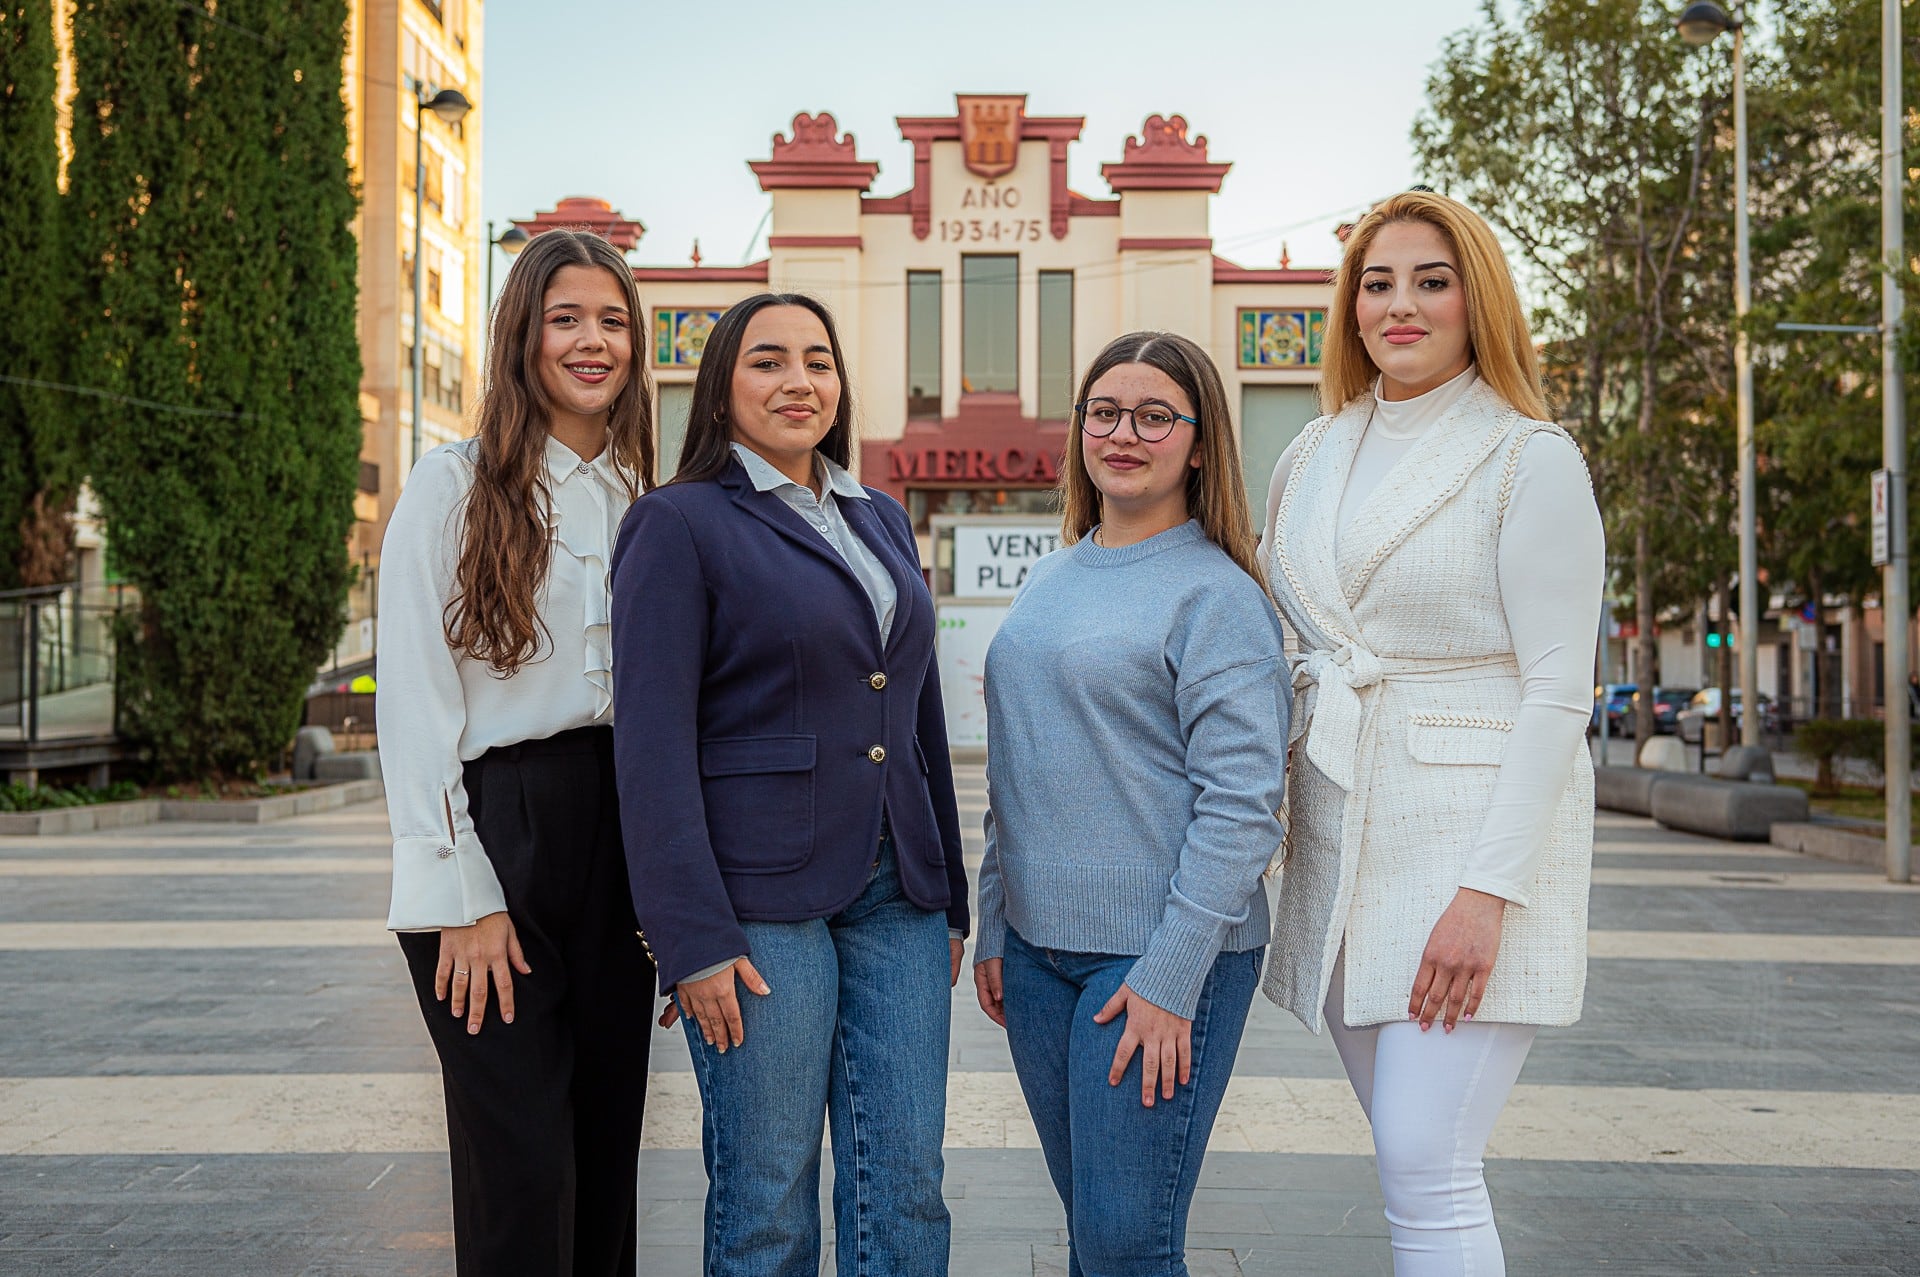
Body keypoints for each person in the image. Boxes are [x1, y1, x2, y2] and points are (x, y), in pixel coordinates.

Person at [1259, 190, 1604, 1276]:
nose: (1399, 305)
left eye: (1430, 280)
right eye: (1376, 282)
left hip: (1469, 848)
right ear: (1348, 306)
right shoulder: (1309, 452)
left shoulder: (1528, 457)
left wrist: (1486, 892)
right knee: (1409, 1157)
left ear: (1476, 301)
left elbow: (1558, 690)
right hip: (1341, 836)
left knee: (1427, 1159)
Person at [610, 292, 968, 1277]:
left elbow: (918, 712)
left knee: (906, 1188)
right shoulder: (677, 523)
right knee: (768, 1201)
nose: (798, 379)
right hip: (756, 903)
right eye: (768, 360)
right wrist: (690, 938)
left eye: (818, 359)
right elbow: (649, 745)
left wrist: (951, 896)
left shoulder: (880, 516)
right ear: (722, 386)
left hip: (899, 892)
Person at [972, 331, 1289, 1277]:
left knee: (1126, 1243)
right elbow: (1018, 765)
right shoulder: (1052, 575)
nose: (1124, 433)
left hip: (1153, 956)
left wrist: (1169, 977)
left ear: (1199, 443)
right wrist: (996, 922)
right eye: (1104, 412)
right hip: (1036, 956)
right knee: (1094, 1237)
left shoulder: (1218, 595)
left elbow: (1242, 805)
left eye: (1156, 416)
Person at [378, 228, 657, 1275]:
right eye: (567, 318)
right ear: (522, 336)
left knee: (602, 1163)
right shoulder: (451, 485)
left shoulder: (646, 501)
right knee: (521, 1172)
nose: (594, 341)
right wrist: (464, 896)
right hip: (500, 830)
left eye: (614, 321)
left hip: (620, 834)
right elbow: (411, 699)